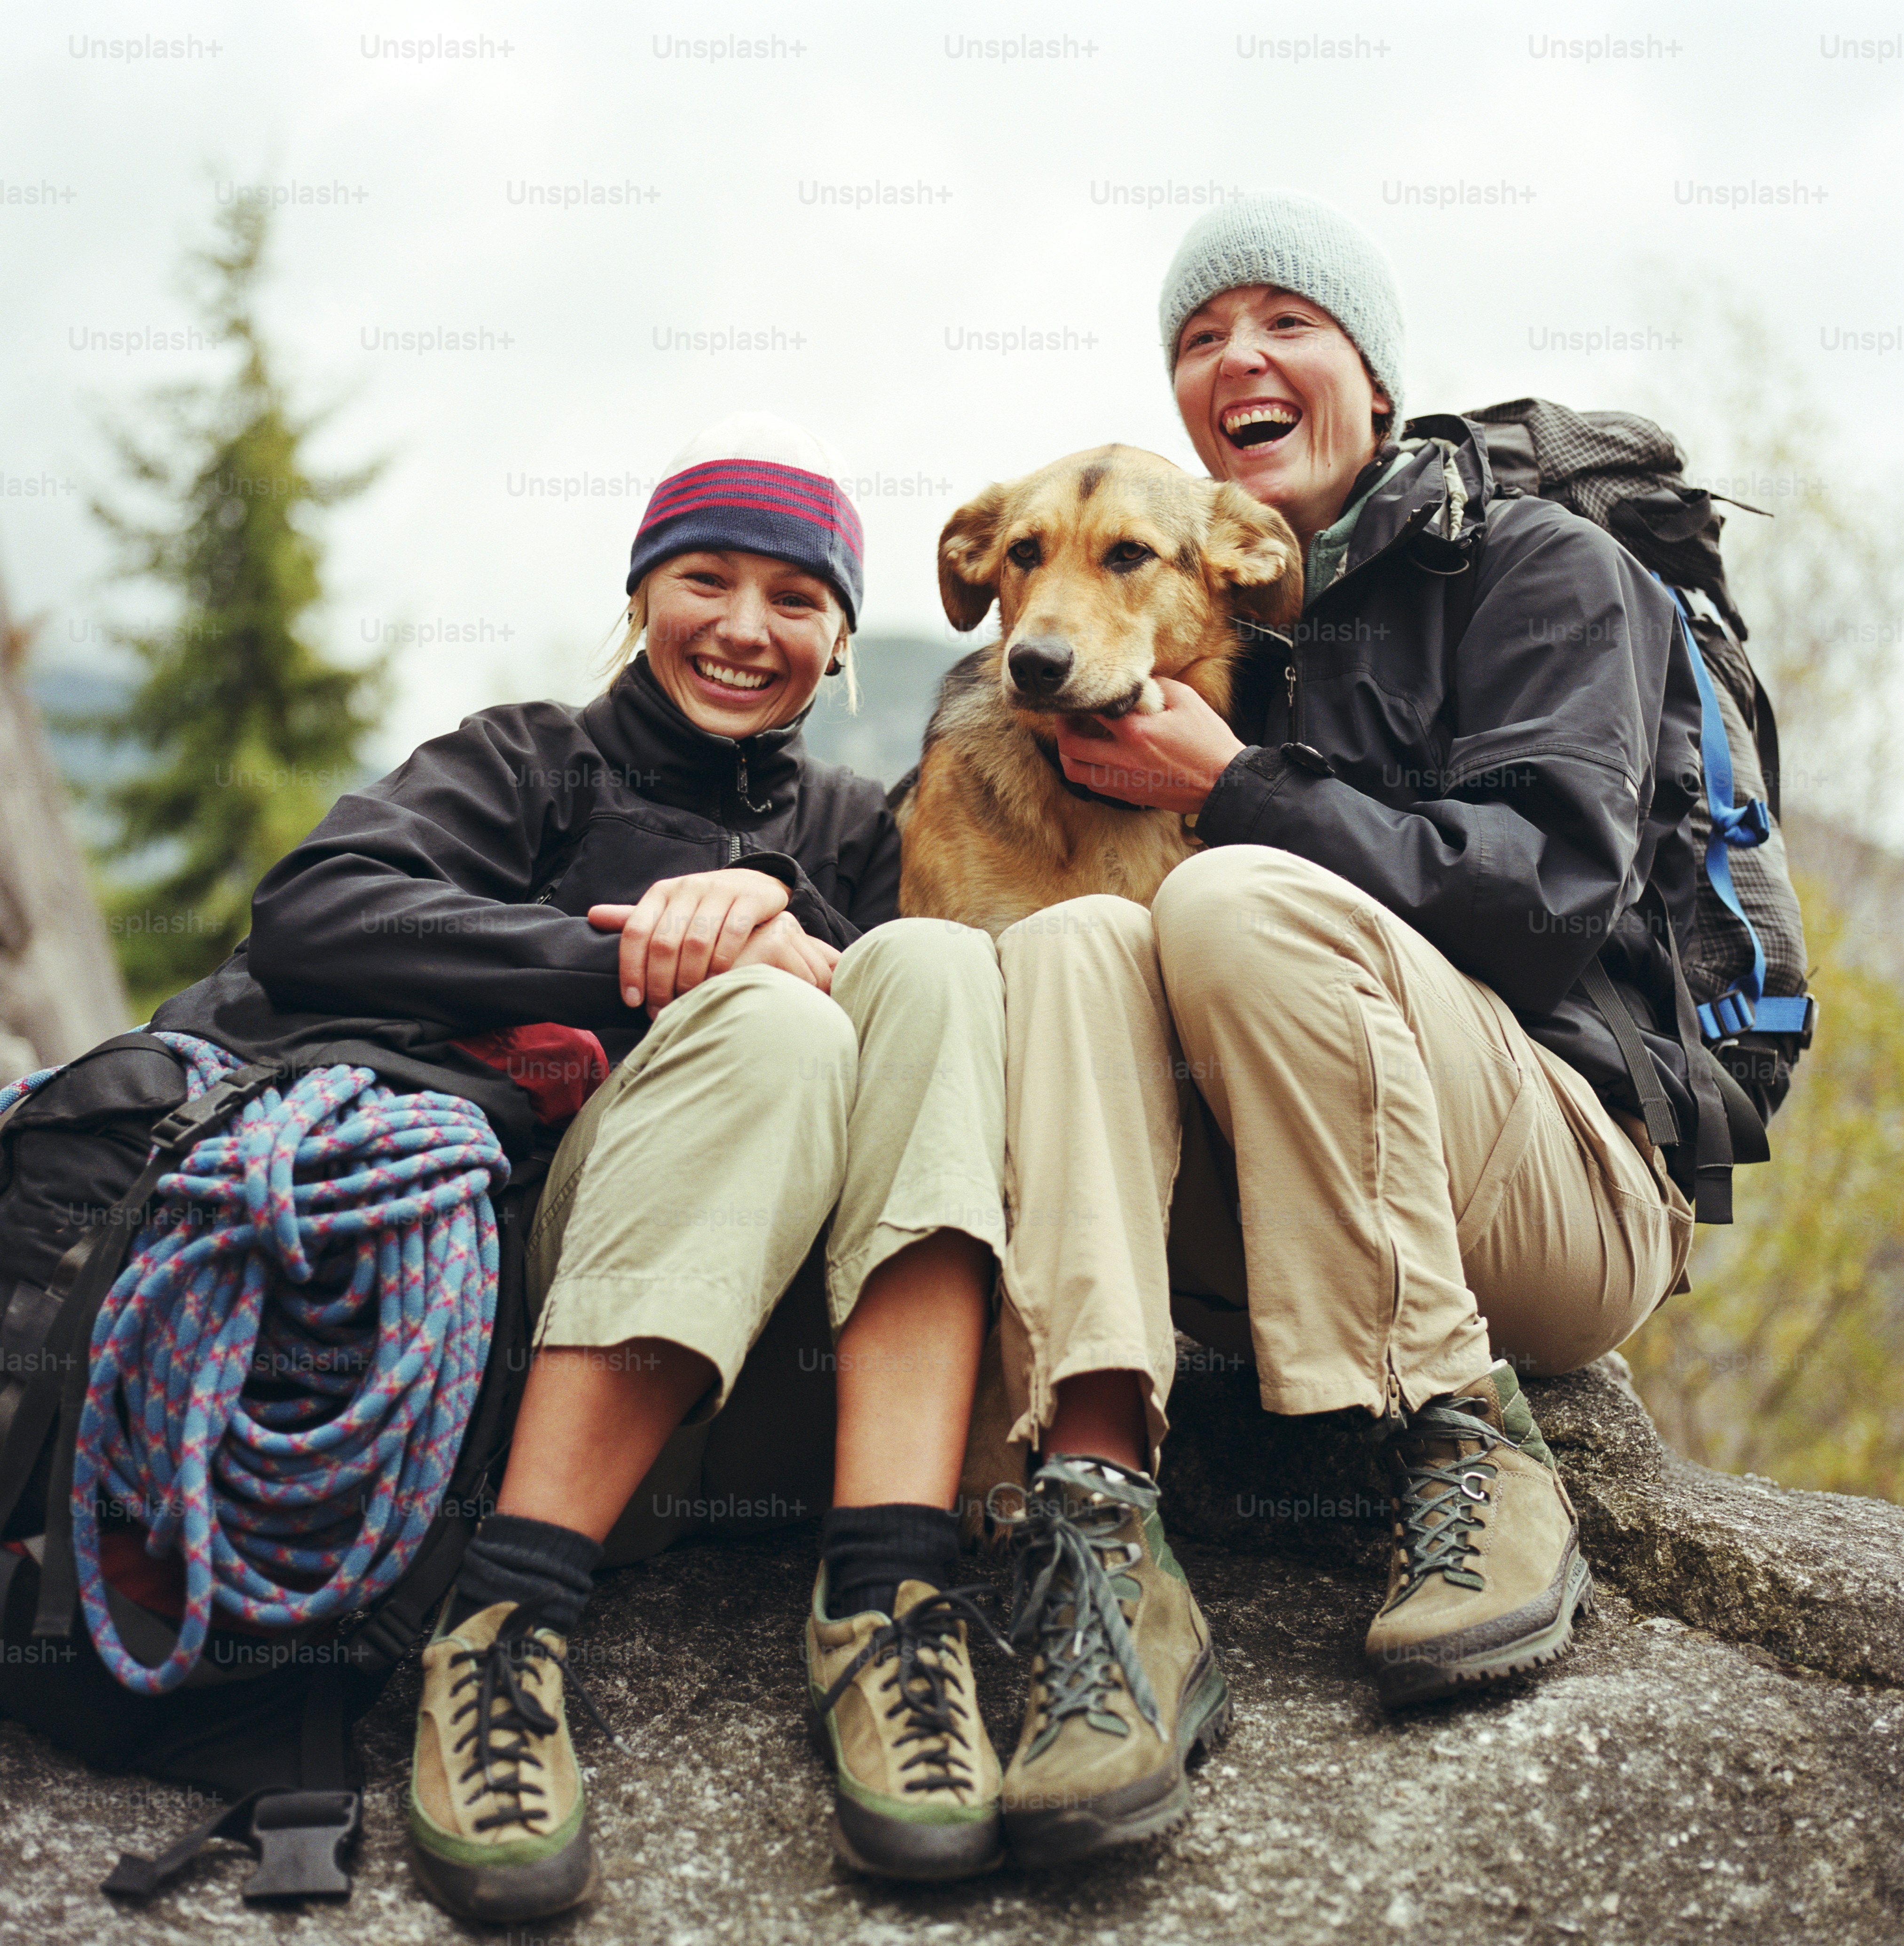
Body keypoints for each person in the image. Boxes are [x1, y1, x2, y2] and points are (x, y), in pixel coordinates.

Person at [984, 192, 1699, 1861]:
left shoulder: (1533, 569)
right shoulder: (1177, 625)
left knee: (1225, 895)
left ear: (1372, 374)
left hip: (1551, 1194)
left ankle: (1466, 1443)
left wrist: (1230, 787)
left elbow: (1543, 903)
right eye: (1195, 338)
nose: (1236, 357)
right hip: (1261, 1208)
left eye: (1283, 322)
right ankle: (1103, 1542)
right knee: (1080, 936)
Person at [237, 415, 1011, 1918]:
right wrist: (637, 962)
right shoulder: (529, 761)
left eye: (795, 600)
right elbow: (310, 916)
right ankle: (504, 1621)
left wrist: (793, 935)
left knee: (930, 967)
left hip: (779, 1385)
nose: (743, 627)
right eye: (704, 581)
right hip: (543, 1346)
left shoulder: (861, 833)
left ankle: (888, 1599)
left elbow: (929, 1068)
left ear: (841, 640)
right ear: (642, 598)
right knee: (772, 1031)